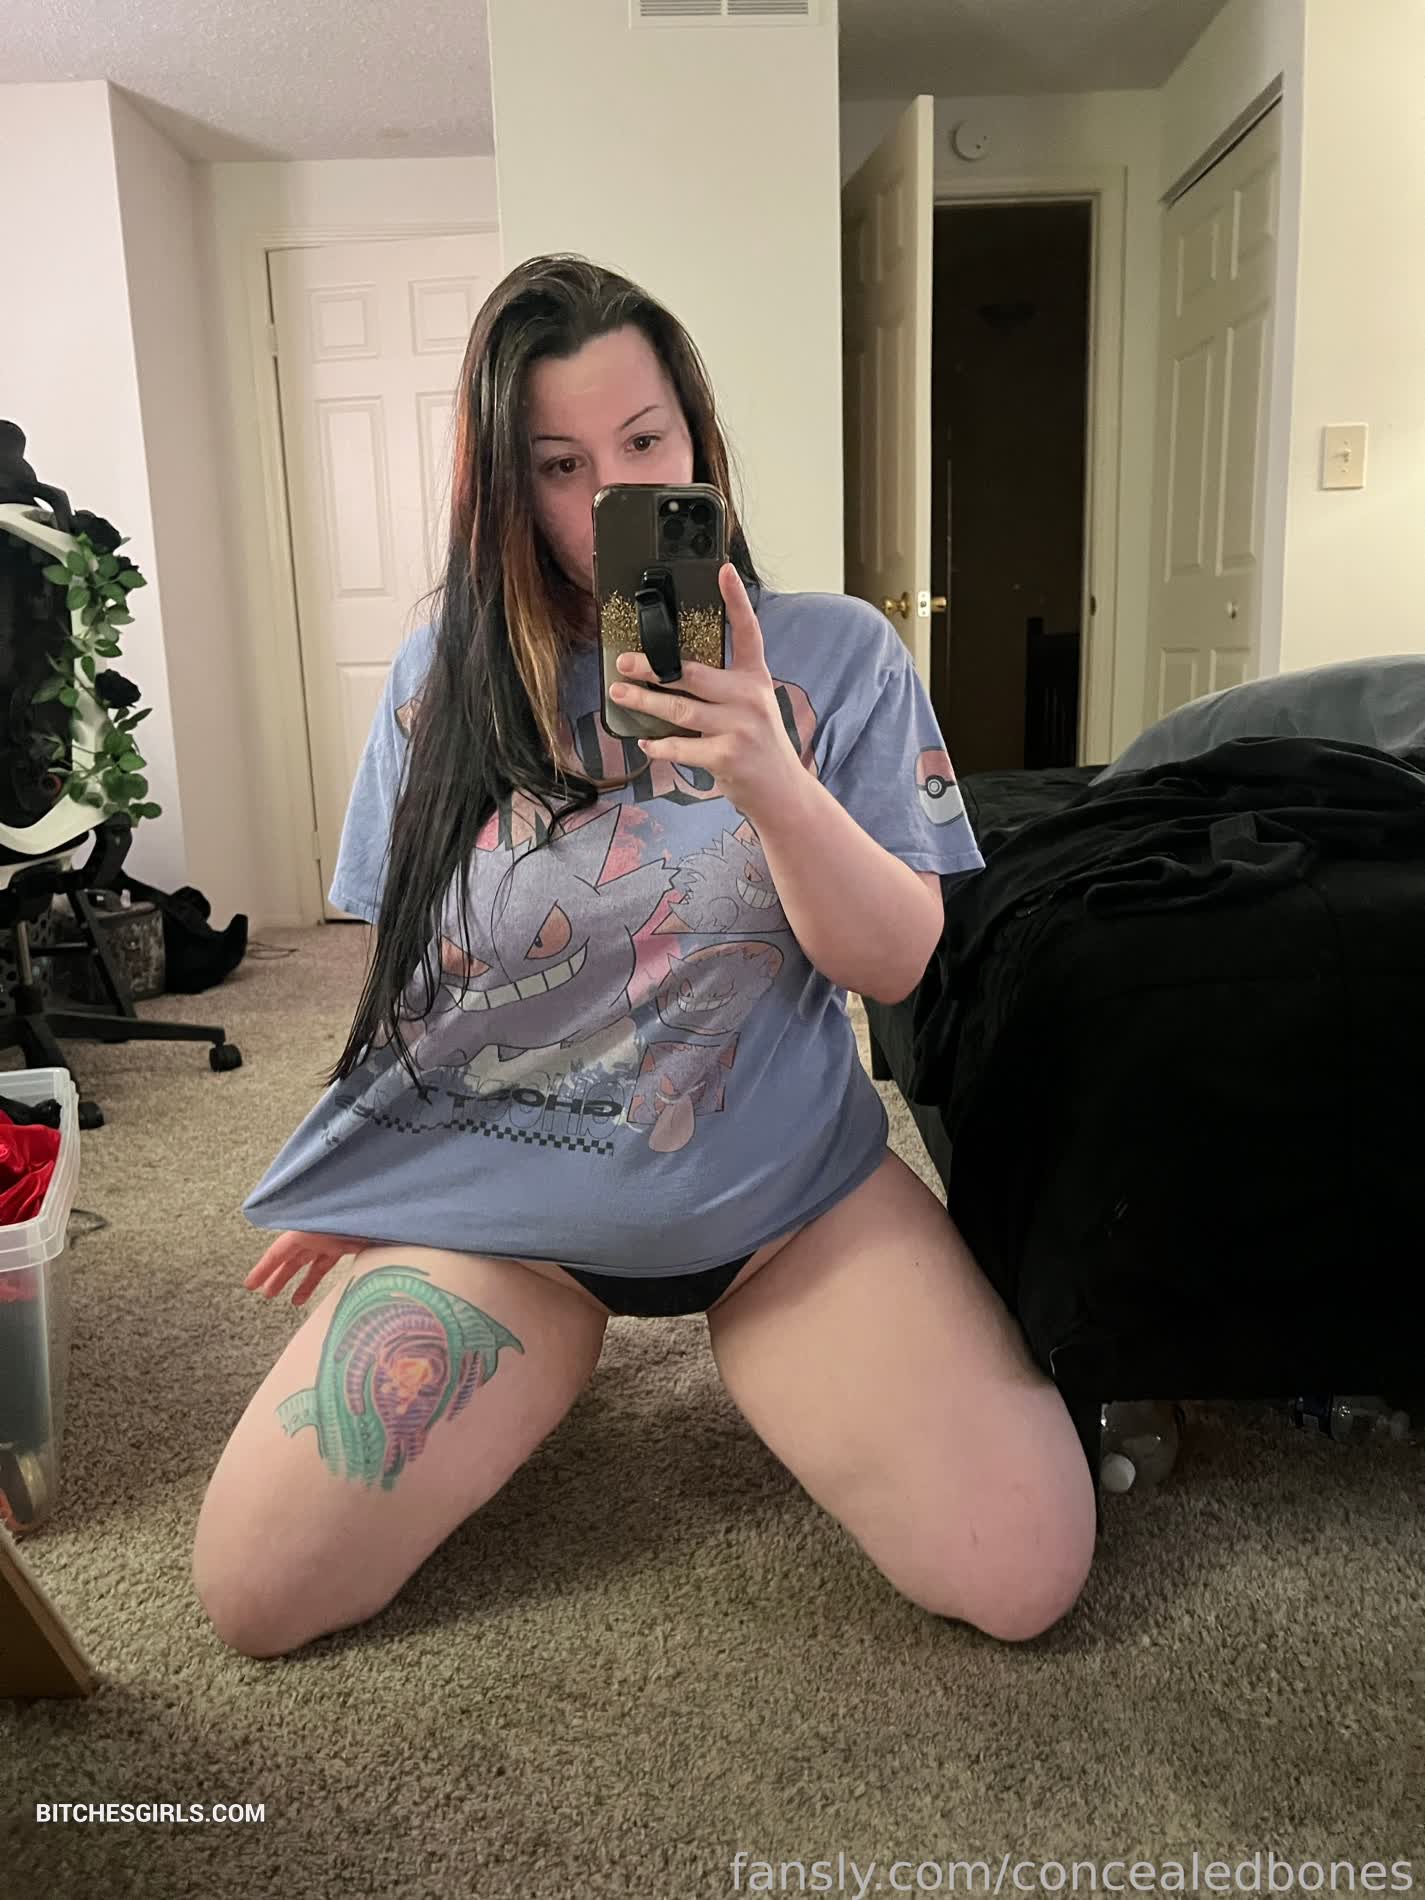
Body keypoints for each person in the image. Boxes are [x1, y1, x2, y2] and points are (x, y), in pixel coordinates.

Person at [192, 255, 1096, 1659]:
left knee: (1021, 1572)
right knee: (256, 1597)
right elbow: (411, 980)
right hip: (506, 1229)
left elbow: (900, 964)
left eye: (642, 444)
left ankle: (747, 1359)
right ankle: (549, 1365)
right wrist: (371, 1168)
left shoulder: (838, 656)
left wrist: (768, 774)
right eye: (558, 465)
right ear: (502, 484)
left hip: (786, 1211)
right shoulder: (441, 678)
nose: (606, 497)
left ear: (694, 441)